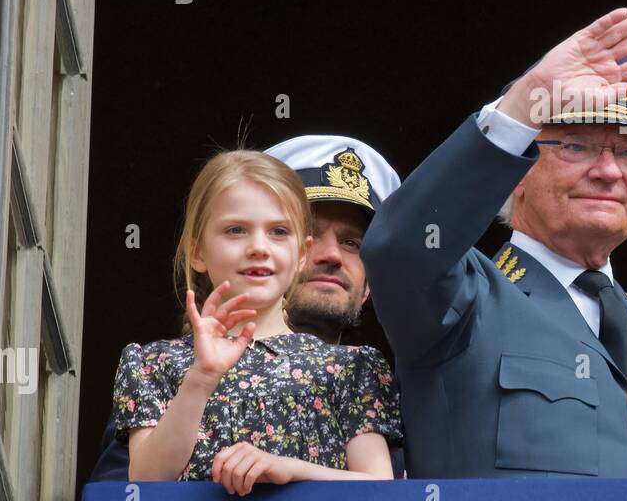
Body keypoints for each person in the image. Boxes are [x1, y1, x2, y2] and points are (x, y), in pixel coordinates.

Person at [361, 9, 627, 477]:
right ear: (516, 173)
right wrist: (523, 105)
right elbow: (397, 249)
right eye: (575, 146)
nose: (608, 171)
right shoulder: (464, 299)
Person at [89, 135, 403, 483]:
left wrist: (291, 470)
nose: (258, 247)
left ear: (301, 254)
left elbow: (379, 491)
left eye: (279, 232)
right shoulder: (153, 364)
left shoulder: (353, 367)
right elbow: (145, 486)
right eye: (236, 230)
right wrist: (201, 378)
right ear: (197, 252)